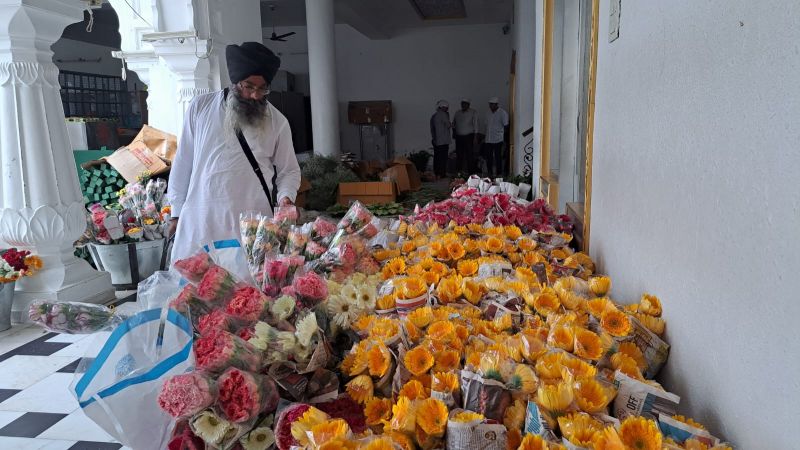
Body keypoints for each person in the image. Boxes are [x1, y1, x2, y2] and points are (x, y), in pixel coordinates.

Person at [167, 42, 301, 261]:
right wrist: (176, 212)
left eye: (262, 88)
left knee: (249, 291)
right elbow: (183, 163)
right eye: (249, 86)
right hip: (202, 220)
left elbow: (289, 171)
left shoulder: (278, 122)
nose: (255, 95)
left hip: (253, 227)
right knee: (197, 290)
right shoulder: (200, 108)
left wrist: (286, 197)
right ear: (235, 82)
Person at [484, 97, 509, 177]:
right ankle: (490, 173)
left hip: (498, 139)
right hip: (488, 139)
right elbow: (486, 125)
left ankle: (499, 173)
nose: (491, 106)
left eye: (492, 104)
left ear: (496, 104)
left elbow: (506, 126)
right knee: (489, 157)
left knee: (498, 157)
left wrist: (504, 138)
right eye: (490, 104)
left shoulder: (502, 113)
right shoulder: (488, 113)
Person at [452, 98, 478, 174]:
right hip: (459, 137)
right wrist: (454, 133)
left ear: (468, 105)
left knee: (469, 155)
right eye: (462, 103)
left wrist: (475, 137)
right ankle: (458, 172)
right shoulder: (457, 113)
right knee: (459, 154)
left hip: (469, 136)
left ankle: (471, 172)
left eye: (465, 103)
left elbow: (476, 125)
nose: (463, 105)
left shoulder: (473, 112)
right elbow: (454, 124)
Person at [429, 100, 451, 179]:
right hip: (443, 140)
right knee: (443, 157)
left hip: (436, 140)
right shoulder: (444, 114)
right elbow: (448, 125)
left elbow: (432, 128)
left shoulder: (434, 116)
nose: (447, 109)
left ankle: (437, 173)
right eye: (446, 108)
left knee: (437, 157)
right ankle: (442, 173)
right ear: (443, 107)